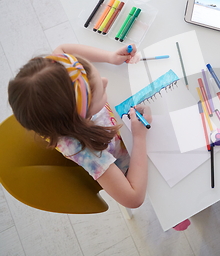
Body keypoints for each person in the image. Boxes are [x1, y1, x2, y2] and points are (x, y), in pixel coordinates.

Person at [8, 44, 151, 209]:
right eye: (101, 92)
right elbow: (133, 198)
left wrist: (110, 57)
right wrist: (139, 137)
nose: (105, 81)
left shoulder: (62, 75)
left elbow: (63, 49)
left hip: (125, 127)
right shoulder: (86, 150)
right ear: (81, 118)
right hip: (135, 161)